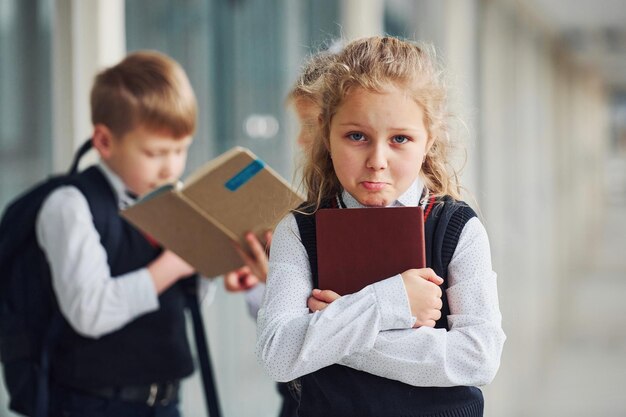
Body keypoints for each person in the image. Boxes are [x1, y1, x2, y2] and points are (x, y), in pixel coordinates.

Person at [256, 36, 506, 417]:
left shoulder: (458, 227)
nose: (377, 160)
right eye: (357, 136)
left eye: (400, 139)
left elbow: (478, 358)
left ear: (429, 141)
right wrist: (392, 301)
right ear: (326, 132)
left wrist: (335, 326)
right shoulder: (298, 230)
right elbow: (277, 354)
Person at [37, 51, 203, 416]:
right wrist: (172, 266)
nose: (170, 166)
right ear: (105, 141)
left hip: (166, 400)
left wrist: (204, 268)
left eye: (180, 150)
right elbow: (89, 312)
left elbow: (182, 303)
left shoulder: (170, 201)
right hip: (94, 403)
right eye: (155, 152)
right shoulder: (71, 204)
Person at [223, 49, 338, 417]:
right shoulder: (302, 217)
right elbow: (282, 337)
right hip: (298, 398)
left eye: (310, 125)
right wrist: (266, 281)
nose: (302, 142)